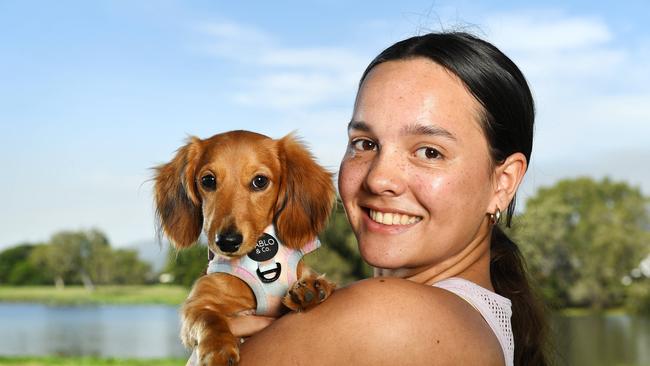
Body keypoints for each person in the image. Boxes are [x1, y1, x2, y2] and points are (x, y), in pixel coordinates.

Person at [229, 32, 550, 366]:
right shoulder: (476, 322)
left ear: (503, 182)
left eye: (429, 151)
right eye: (365, 143)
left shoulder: (389, 316)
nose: (379, 178)